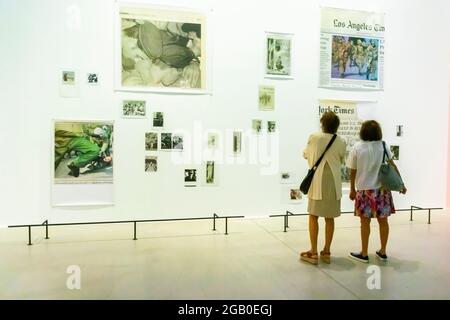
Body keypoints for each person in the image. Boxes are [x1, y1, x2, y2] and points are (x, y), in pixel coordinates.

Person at [347, 120, 407, 263]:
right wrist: (401, 184)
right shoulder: (383, 145)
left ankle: (364, 253)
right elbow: (392, 165)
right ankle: (383, 251)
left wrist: (351, 189)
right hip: (382, 191)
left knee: (365, 223)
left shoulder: (357, 147)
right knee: (383, 222)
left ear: (363, 132)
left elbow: (353, 171)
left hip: (363, 191)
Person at [300, 111, 347, 265]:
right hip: (333, 183)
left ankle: (313, 252)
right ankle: (326, 252)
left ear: (322, 124)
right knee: (330, 217)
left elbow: (305, 154)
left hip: (317, 182)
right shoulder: (341, 141)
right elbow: (341, 159)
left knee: (313, 215)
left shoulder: (314, 137)